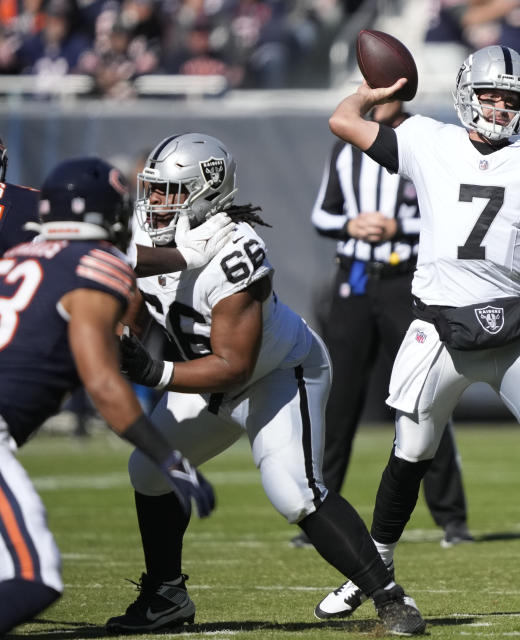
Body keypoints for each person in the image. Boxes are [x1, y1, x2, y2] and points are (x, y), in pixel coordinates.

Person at [315, 44, 520, 622]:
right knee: (410, 454)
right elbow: (344, 120)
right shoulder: (429, 138)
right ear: (468, 95)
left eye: (511, 99)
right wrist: (375, 92)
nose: (499, 108)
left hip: (514, 333)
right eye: (490, 96)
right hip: (437, 329)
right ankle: (373, 570)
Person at [106, 132, 425, 635]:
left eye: (169, 191)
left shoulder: (238, 250)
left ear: (205, 190)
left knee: (295, 492)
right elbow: (137, 292)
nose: (154, 202)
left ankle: (390, 597)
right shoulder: (146, 234)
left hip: (276, 373)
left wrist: (155, 372)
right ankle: (166, 598)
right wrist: (122, 332)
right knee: (148, 470)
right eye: (153, 189)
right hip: (207, 379)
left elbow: (234, 365)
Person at [0, 157, 215, 635]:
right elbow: (102, 382)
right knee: (34, 580)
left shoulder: (14, 257)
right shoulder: (99, 266)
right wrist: (168, 458)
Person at [306, 98, 472, 552]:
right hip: (356, 280)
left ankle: (452, 519)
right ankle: (318, 512)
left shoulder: (422, 145)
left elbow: (450, 212)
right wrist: (353, 223)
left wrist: (398, 224)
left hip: (406, 281)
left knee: (426, 394)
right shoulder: (344, 150)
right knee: (338, 400)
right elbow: (321, 214)